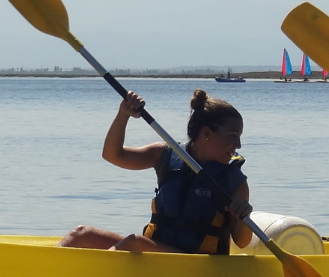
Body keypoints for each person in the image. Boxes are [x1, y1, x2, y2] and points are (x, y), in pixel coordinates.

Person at [58, 89, 253, 253]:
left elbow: (242, 242)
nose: (238, 145)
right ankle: (40, 270)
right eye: (233, 136)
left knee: (135, 243)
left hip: (196, 264)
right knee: (81, 234)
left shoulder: (234, 181)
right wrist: (123, 114)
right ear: (206, 134)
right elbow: (112, 155)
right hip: (158, 252)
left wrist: (242, 216)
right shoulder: (165, 154)